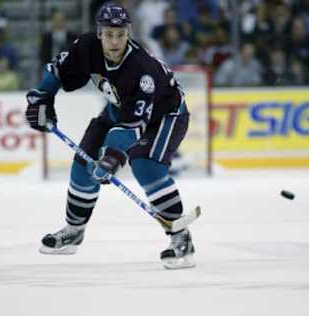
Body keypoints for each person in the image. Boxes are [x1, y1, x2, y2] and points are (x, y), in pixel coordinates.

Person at [25, 3, 195, 269]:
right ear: (99, 33)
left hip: (166, 116)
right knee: (83, 163)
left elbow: (133, 127)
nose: (115, 41)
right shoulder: (86, 46)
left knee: (145, 164)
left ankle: (181, 236)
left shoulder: (142, 70)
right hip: (120, 109)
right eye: (109, 34)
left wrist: (113, 157)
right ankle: (74, 230)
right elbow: (57, 69)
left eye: (120, 34)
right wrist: (41, 97)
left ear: (128, 33)